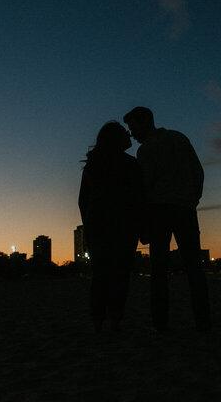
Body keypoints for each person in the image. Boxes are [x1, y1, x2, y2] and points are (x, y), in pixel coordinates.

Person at [123, 107, 210, 332]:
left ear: (144, 122)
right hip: (185, 209)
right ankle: (203, 322)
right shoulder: (179, 138)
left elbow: (143, 188)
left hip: (158, 211)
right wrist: (193, 199)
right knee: (194, 268)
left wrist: (143, 223)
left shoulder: (145, 151)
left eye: (133, 128)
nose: (132, 134)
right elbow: (198, 172)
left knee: (159, 270)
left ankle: (160, 324)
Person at [78, 121, 143, 333]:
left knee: (100, 274)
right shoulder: (131, 164)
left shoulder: (93, 165)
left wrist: (88, 224)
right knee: (120, 274)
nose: (130, 136)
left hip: (97, 222)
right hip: (123, 222)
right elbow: (138, 198)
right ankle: (114, 321)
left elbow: (82, 201)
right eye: (126, 134)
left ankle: (98, 322)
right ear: (117, 139)